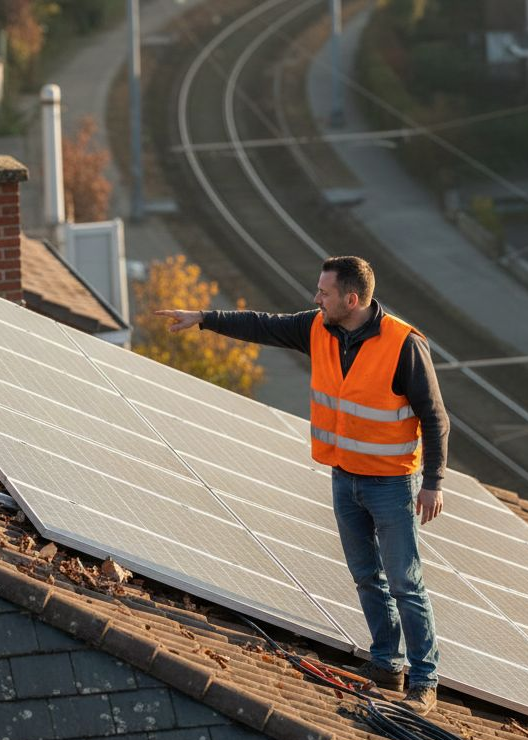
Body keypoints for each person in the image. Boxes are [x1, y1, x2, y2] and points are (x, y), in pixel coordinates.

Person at [156, 256, 449, 715]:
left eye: (324, 293)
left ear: (351, 300)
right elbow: (262, 325)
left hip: (391, 484)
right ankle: (387, 666)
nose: (316, 299)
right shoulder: (318, 328)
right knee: (366, 577)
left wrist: (432, 483)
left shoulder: (403, 344)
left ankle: (424, 681)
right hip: (344, 477)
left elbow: (434, 418)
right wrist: (204, 320)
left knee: (404, 583)